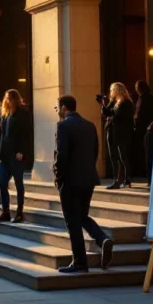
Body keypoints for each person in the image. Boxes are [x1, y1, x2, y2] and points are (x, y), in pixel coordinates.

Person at [54, 95, 113, 273]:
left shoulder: (63, 126)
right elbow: (95, 152)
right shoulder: (90, 125)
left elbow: (61, 155)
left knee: (72, 221)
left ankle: (80, 262)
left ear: (64, 107)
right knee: (81, 216)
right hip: (88, 178)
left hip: (70, 180)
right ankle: (102, 238)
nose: (57, 111)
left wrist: (58, 177)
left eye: (57, 108)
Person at [0, 89, 33, 223]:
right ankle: (5, 212)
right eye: (6, 98)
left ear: (16, 99)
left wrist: (22, 152)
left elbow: (27, 135)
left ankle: (19, 213)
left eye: (10, 98)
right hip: (4, 155)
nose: (8, 101)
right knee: (2, 184)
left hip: (17, 155)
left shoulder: (24, 113)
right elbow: (2, 136)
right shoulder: (5, 114)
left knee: (18, 183)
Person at [101, 82, 135, 190]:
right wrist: (102, 103)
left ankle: (125, 180)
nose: (111, 92)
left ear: (118, 90)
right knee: (114, 156)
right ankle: (116, 179)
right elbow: (107, 113)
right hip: (113, 132)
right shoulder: (115, 102)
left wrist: (111, 117)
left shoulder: (125, 102)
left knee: (123, 156)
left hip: (122, 133)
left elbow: (119, 117)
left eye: (112, 90)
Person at [134, 81, 153, 179]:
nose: (136, 89)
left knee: (148, 153)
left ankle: (149, 176)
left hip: (147, 128)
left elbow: (149, 112)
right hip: (139, 129)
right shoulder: (139, 98)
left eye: (137, 87)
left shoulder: (149, 98)